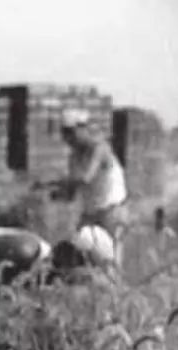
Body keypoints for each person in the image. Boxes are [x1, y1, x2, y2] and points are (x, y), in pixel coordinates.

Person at [55, 108, 130, 269]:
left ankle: (115, 292)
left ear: (83, 129)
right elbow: (72, 192)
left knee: (111, 260)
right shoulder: (74, 156)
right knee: (81, 256)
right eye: (65, 133)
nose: (68, 138)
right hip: (90, 213)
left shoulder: (99, 148)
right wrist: (58, 194)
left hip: (111, 211)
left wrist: (54, 182)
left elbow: (85, 177)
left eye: (71, 132)